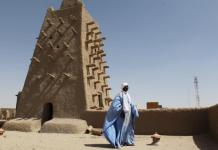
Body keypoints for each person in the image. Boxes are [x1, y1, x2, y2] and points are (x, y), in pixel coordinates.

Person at [103, 83, 139, 149]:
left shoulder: (128, 95)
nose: (127, 87)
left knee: (128, 128)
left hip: (128, 115)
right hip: (121, 115)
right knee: (120, 128)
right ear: (122, 87)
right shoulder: (119, 95)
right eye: (126, 86)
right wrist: (121, 111)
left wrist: (134, 112)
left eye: (128, 86)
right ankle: (119, 142)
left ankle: (128, 141)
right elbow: (114, 105)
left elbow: (131, 104)